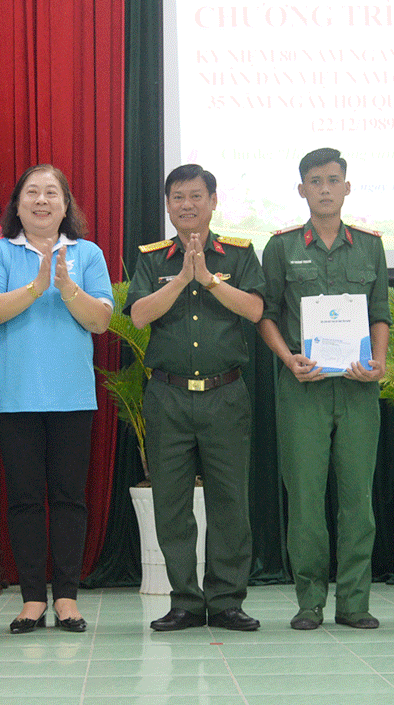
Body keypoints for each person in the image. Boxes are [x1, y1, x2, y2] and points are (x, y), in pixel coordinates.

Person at [0, 164, 114, 634]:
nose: (41, 200)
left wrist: (67, 287)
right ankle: (33, 599)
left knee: (70, 499)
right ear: (17, 205)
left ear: (66, 205)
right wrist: (35, 288)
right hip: (16, 398)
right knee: (26, 500)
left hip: (73, 397)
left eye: (51, 193)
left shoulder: (88, 254)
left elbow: (100, 321)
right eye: (31, 192)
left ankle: (68, 599)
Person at [129, 164, 265, 632]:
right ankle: (185, 600)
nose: (186, 205)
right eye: (177, 198)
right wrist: (180, 277)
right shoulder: (151, 258)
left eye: (195, 196)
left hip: (225, 394)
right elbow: (140, 316)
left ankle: (226, 600)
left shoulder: (241, 254)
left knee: (230, 502)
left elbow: (254, 308)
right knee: (171, 503)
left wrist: (206, 277)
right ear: (168, 206)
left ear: (212, 200)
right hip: (167, 396)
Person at [257, 148, 388, 631]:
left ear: (347, 187)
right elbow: (266, 315)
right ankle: (309, 600)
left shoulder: (371, 245)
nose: (326, 188)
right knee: (307, 500)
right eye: (316, 180)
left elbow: (380, 314)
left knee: (358, 498)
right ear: (302, 189)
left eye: (334, 179)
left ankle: (354, 602)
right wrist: (288, 358)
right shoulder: (281, 247)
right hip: (304, 389)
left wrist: (379, 364)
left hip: (357, 388)